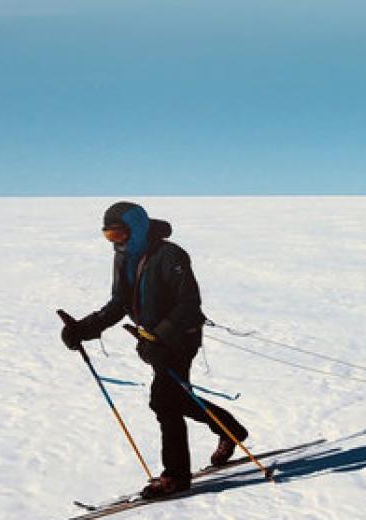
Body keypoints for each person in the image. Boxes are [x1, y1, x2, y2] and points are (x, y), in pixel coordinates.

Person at [60, 202, 248, 499]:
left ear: (135, 228)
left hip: (181, 336)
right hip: (154, 340)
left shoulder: (170, 255)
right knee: (178, 397)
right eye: (109, 236)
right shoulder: (123, 258)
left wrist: (161, 337)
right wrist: (84, 328)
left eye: (119, 234)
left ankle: (176, 476)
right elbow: (119, 303)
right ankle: (230, 430)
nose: (115, 241)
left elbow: (189, 304)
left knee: (164, 402)